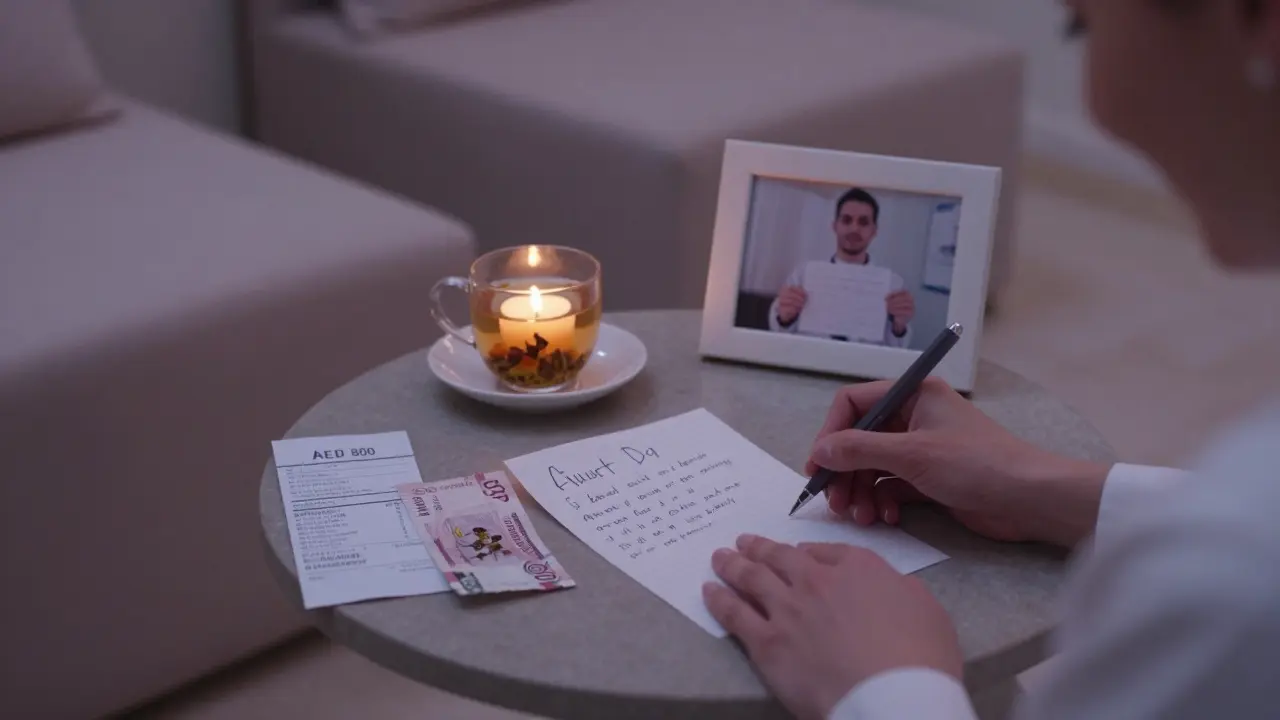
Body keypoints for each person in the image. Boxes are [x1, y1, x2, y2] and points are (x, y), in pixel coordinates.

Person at [702, 1, 1280, 718]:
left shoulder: (1229, 590)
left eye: (1082, 23)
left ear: (1261, 24)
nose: (1097, 101)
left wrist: (887, 687)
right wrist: (1051, 488)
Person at [767, 188, 916, 348]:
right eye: (846, 220)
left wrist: (899, 327)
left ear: (874, 231)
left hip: (863, 368)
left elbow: (898, 348)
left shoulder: (893, 284)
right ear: (835, 226)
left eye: (863, 222)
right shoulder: (803, 274)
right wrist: (785, 318)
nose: (854, 229)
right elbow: (777, 330)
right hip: (809, 361)